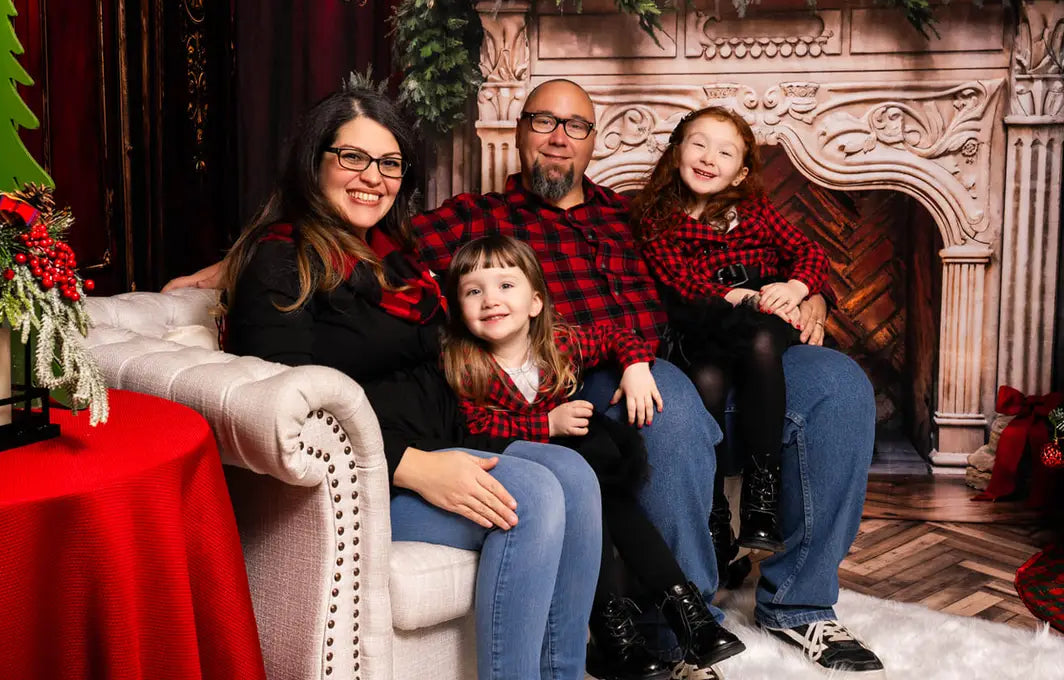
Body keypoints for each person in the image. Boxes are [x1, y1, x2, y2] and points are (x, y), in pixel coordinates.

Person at [167, 79, 884, 677]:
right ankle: (674, 632)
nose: (560, 137)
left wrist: (806, 290)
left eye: (577, 125)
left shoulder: (632, 215)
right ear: (521, 134)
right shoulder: (476, 220)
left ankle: (801, 605)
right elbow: (324, 254)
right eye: (545, 121)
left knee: (839, 386)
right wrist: (222, 272)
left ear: (595, 140)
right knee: (659, 409)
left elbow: (713, 261)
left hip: (694, 348)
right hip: (584, 373)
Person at [223, 89, 602, 680]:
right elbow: (277, 407)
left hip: (446, 439)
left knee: (575, 476)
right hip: (365, 485)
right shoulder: (283, 261)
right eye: (352, 158)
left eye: (390, 163)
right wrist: (410, 466)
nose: (373, 177)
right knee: (533, 497)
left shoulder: (394, 257)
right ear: (313, 160)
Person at [442, 234, 745, 679]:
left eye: (506, 286)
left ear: (535, 302)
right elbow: (474, 429)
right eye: (474, 291)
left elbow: (620, 336)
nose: (491, 300)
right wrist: (546, 425)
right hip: (521, 472)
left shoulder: (559, 345)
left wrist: (635, 367)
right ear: (460, 308)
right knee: (591, 490)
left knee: (606, 491)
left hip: (578, 473)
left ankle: (687, 617)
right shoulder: (464, 365)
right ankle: (620, 632)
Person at [629, 106, 831, 565]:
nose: (708, 157)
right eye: (698, 144)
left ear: (740, 174)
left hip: (764, 316)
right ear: (677, 151)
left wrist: (795, 288)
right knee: (706, 379)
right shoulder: (657, 219)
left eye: (724, 152)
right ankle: (715, 512)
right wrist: (739, 297)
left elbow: (808, 250)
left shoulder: (754, 211)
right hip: (705, 320)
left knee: (761, 338)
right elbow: (681, 284)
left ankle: (763, 497)